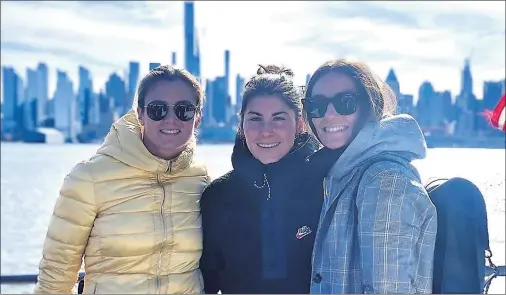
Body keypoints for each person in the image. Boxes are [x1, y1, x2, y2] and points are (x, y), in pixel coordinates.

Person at [34, 65, 210, 294]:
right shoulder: (90, 178)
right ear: (140, 114)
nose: (171, 119)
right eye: (158, 109)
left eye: (184, 110)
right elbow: (56, 276)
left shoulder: (200, 179)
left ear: (196, 118)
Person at [302, 59, 437, 294]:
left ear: (369, 104)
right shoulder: (342, 174)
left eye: (346, 103)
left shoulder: (385, 181)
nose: (330, 115)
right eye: (317, 105)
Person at [199, 65, 337, 294]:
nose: (266, 131)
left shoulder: (329, 185)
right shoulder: (218, 196)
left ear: (299, 123)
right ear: (241, 124)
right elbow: (208, 284)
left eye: (278, 118)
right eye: (255, 119)